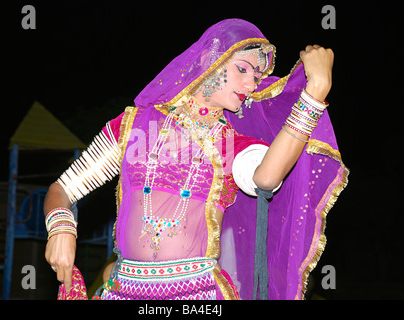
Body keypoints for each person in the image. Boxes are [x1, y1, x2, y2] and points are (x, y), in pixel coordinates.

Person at [44, 18, 348, 300]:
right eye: (242, 69)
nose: (251, 85)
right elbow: (63, 189)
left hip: (198, 296)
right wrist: (61, 228)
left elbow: (267, 179)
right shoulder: (133, 126)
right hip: (122, 291)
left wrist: (314, 93)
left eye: (256, 76)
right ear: (209, 60)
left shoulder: (230, 144)